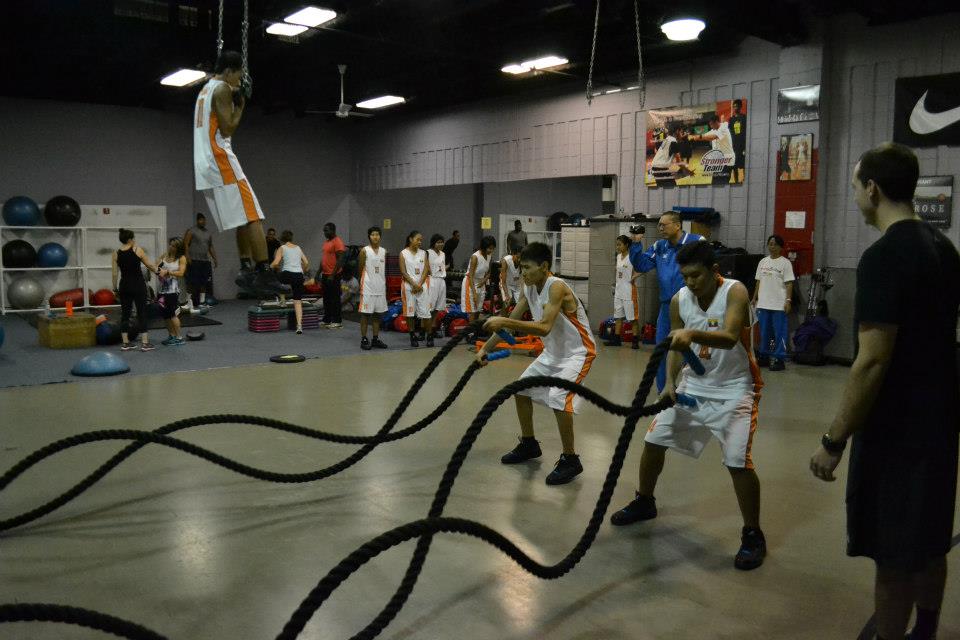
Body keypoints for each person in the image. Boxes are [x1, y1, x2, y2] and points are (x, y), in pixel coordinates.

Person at [809, 143, 960, 640]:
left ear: (872, 188)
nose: (856, 197)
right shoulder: (945, 250)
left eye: (856, 187)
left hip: (896, 433)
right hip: (939, 426)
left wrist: (834, 441)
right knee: (930, 541)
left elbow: (872, 361)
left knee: (893, 559)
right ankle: (927, 631)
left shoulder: (883, 257)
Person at [611, 241, 766, 570]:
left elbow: (729, 335)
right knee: (653, 441)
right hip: (693, 385)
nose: (690, 283)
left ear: (714, 271)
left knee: (738, 462)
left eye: (696, 276)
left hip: (735, 388)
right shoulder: (681, 300)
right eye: (684, 277)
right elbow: (676, 348)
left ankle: (753, 533)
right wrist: (669, 383)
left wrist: (690, 335)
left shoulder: (735, 292)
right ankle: (645, 501)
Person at [477, 242, 597, 485]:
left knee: (559, 398)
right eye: (521, 268)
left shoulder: (557, 287)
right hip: (553, 353)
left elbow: (543, 327)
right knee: (520, 390)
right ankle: (529, 444)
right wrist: (484, 350)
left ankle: (571, 459)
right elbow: (511, 320)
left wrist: (502, 322)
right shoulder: (529, 287)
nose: (523, 273)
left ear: (544, 267)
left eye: (528, 268)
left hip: (577, 353)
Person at [193, 49, 286, 297]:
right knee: (254, 214)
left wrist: (232, 96)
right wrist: (241, 105)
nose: (238, 82)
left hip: (204, 162)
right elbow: (228, 128)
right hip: (220, 157)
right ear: (229, 71)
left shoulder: (205, 90)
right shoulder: (222, 89)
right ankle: (264, 272)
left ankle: (245, 267)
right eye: (238, 76)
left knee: (241, 216)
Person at [629, 212, 704, 391]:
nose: (660, 228)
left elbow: (707, 270)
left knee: (690, 351)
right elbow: (642, 265)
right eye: (659, 225)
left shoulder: (697, 242)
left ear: (677, 225)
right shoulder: (659, 246)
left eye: (664, 225)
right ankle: (665, 390)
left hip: (692, 306)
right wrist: (636, 243)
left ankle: (691, 389)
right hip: (666, 308)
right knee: (661, 350)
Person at [111, 228, 159, 352]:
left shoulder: (116, 253)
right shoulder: (137, 250)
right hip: (138, 285)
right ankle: (144, 343)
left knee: (125, 314)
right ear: (130, 239)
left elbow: (115, 273)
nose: (134, 240)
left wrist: (114, 288)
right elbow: (149, 265)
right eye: (133, 238)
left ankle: (126, 343)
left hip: (124, 286)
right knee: (141, 313)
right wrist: (160, 272)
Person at [751, 234, 794, 370]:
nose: (772, 247)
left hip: (779, 305)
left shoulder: (785, 263)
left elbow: (789, 284)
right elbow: (758, 281)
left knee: (779, 332)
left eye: (775, 244)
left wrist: (788, 300)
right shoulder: (763, 262)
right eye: (770, 244)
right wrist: (754, 297)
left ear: (781, 247)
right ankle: (764, 355)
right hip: (763, 304)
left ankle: (779, 358)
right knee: (764, 332)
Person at [604, 235, 640, 349]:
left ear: (627, 245)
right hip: (619, 292)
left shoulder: (632, 257)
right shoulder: (619, 256)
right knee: (618, 317)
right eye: (617, 244)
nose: (617, 247)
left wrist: (634, 277)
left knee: (633, 318)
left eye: (620, 244)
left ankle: (635, 341)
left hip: (629, 291)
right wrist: (615, 285)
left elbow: (641, 269)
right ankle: (616, 340)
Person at [270, 230, 309, 334]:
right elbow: (306, 262)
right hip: (298, 276)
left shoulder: (282, 248)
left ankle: (282, 300)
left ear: (282, 239)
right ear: (291, 238)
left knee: (275, 282)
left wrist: (270, 267)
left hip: (287, 274)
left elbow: (276, 263)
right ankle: (299, 326)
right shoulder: (298, 248)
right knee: (297, 301)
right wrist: (303, 272)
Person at [357, 226, 389, 351]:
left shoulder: (384, 251)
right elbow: (360, 269)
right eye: (373, 234)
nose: (375, 237)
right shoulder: (364, 251)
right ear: (369, 237)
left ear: (380, 236)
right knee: (366, 314)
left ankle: (375, 339)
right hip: (368, 287)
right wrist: (364, 282)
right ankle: (364, 338)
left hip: (380, 287)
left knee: (377, 315)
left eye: (377, 234)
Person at [400, 230, 433, 347]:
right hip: (408, 287)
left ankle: (429, 336)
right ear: (410, 239)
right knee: (409, 313)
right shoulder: (403, 253)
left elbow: (426, 270)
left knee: (426, 313)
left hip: (422, 286)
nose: (420, 242)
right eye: (417, 239)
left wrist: (419, 284)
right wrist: (414, 284)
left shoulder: (424, 253)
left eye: (421, 240)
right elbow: (403, 272)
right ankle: (412, 336)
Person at [183, 212, 218, 310]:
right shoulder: (191, 231)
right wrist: (187, 257)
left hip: (205, 261)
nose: (202, 221)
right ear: (197, 221)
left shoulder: (208, 233)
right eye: (200, 220)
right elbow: (185, 244)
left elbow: (210, 246)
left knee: (203, 282)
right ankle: (188, 302)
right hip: (193, 260)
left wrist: (215, 259)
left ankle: (202, 302)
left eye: (204, 220)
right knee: (191, 282)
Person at [156, 237, 188, 346]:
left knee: (172, 314)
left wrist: (168, 272)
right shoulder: (164, 256)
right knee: (165, 315)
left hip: (172, 291)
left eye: (174, 246)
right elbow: (156, 268)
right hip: (161, 291)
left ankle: (179, 337)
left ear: (178, 248)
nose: (171, 247)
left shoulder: (181, 258)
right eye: (171, 244)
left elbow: (181, 273)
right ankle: (171, 336)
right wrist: (158, 271)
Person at [689, 113, 736, 185]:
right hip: (718, 162)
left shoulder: (724, 128)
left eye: (711, 124)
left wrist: (699, 137)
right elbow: (706, 135)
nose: (711, 126)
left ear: (717, 122)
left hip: (727, 161)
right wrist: (693, 136)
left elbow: (713, 137)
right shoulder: (714, 129)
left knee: (721, 183)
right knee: (715, 183)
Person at [461, 236, 496, 323]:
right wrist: (474, 293)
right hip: (470, 283)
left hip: (481, 283)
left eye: (492, 248)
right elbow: (471, 276)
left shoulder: (489, 256)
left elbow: (489, 273)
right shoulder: (475, 257)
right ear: (484, 247)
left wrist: (484, 281)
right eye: (489, 248)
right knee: (472, 311)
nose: (491, 250)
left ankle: (475, 331)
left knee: (478, 309)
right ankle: (471, 333)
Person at [319, 222, 347, 329]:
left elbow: (341, 259)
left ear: (333, 230)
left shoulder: (338, 242)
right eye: (324, 231)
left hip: (334, 275)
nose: (325, 233)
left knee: (335, 298)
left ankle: (337, 321)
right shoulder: (327, 242)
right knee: (326, 298)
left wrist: (332, 274)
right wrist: (318, 273)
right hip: (325, 274)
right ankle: (327, 320)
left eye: (326, 230)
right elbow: (324, 259)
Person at [426, 234, 447, 338]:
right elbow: (425, 267)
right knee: (429, 308)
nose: (440, 244)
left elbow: (442, 267)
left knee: (437, 308)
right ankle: (426, 331)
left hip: (441, 281)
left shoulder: (443, 254)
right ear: (433, 243)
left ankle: (433, 328)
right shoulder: (428, 253)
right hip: (432, 280)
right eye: (438, 242)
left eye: (442, 242)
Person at [498, 246, 521, 316]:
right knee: (507, 303)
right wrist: (507, 295)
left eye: (521, 258)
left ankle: (513, 322)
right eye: (517, 257)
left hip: (517, 285)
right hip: (506, 284)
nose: (519, 260)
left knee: (520, 305)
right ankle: (501, 320)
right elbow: (503, 281)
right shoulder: (506, 261)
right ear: (512, 255)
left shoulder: (523, 261)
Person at [728, 99, 747, 184]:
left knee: (743, 164)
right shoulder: (731, 119)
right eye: (734, 106)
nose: (735, 108)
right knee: (734, 165)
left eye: (737, 106)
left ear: (740, 107)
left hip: (742, 145)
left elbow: (746, 132)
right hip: (734, 145)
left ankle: (744, 179)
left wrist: (745, 146)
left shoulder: (744, 118)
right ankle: (735, 181)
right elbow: (729, 132)